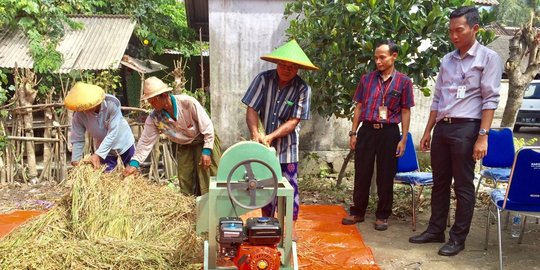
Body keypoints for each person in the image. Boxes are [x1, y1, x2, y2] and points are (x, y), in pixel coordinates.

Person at [409, 6, 502, 256]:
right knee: (439, 182)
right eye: (450, 31)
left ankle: (457, 238)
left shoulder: (488, 58)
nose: (453, 36)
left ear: (475, 28)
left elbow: (490, 100)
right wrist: (428, 130)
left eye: (458, 30)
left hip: (467, 128)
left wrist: (482, 137)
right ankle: (435, 229)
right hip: (443, 127)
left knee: (463, 185)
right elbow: (438, 98)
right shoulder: (447, 60)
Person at [242, 40, 318, 230]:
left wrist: (271, 136)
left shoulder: (303, 89)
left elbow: (294, 121)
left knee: (289, 188)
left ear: (298, 69)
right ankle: (267, 227)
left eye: (292, 67)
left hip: (288, 149)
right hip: (264, 147)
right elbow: (251, 108)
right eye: (283, 64)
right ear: (277, 64)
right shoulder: (263, 79)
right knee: (265, 186)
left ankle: (288, 230)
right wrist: (255, 133)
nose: (287, 69)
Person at [341, 40, 414, 231]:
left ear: (394, 56)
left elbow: (405, 111)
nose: (378, 61)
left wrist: (403, 138)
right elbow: (358, 106)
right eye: (376, 58)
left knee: (385, 174)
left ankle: (383, 215)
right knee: (362, 172)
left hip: (389, 132)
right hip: (367, 130)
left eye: (382, 57)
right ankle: (357, 211)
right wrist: (353, 132)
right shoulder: (366, 79)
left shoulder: (404, 82)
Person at [123, 76, 221, 196]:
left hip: (204, 140)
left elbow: (207, 126)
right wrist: (134, 163)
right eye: (149, 100)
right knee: (185, 179)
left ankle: (213, 207)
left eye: (153, 100)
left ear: (164, 95)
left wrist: (207, 151)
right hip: (185, 145)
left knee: (209, 176)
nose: (151, 104)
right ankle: (192, 209)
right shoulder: (154, 118)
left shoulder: (187, 103)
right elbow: (145, 142)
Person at [65, 82, 135, 172]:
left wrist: (98, 154)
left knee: (132, 172)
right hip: (106, 151)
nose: (85, 110)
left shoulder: (112, 104)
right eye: (83, 108)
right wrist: (76, 160)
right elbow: (77, 139)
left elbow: (113, 133)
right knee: (108, 178)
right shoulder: (79, 115)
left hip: (124, 144)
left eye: (88, 106)